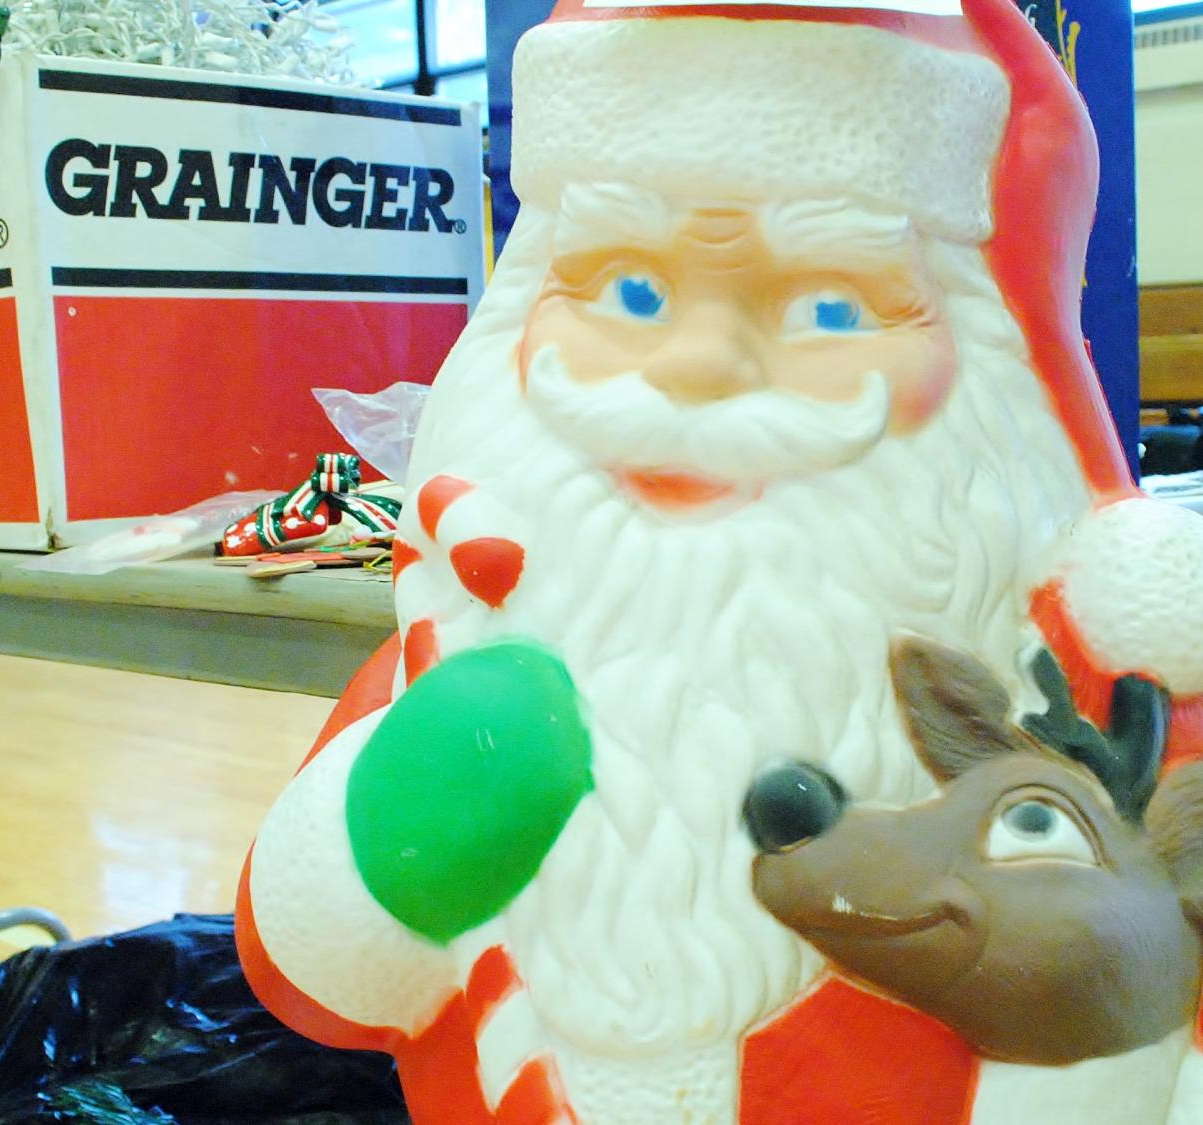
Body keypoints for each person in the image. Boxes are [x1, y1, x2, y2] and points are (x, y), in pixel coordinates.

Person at [241, 1, 1203, 1121]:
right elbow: (314, 978)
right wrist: (381, 854)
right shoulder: (471, 633)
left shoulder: (1093, 680)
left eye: (828, 304)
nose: (698, 366)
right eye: (628, 290)